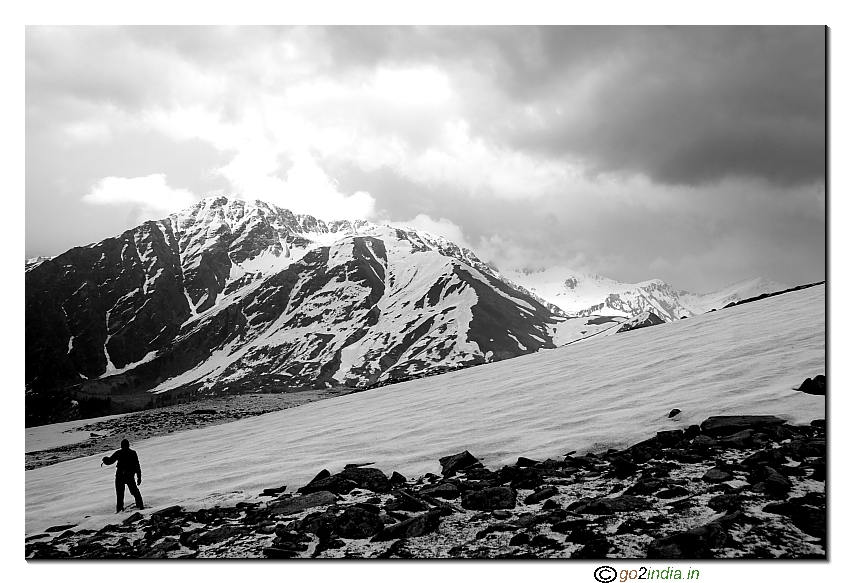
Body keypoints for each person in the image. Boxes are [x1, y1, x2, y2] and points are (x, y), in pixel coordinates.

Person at [102, 438, 144, 512]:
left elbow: (110, 461)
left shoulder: (125, 453)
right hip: (123, 476)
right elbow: (137, 466)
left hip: (125, 476)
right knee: (127, 493)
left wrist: (106, 460)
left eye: (125, 445)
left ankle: (124, 509)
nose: (124, 447)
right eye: (124, 445)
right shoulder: (129, 453)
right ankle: (139, 506)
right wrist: (139, 477)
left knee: (125, 493)